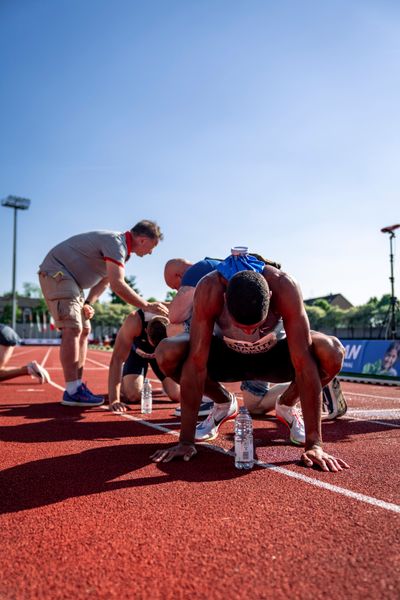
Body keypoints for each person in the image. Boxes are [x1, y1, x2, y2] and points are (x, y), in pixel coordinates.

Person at [152, 248, 350, 472]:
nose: (248, 334)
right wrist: (185, 442)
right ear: (225, 299)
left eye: (256, 326)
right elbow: (196, 364)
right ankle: (223, 402)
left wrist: (315, 445)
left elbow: (304, 364)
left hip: (274, 356)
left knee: (331, 351)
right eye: (240, 326)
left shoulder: (285, 286)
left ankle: (286, 405)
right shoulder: (209, 289)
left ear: (271, 298)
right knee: (167, 352)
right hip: (225, 358)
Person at [39, 220, 168, 408]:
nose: (150, 252)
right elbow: (117, 284)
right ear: (142, 240)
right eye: (152, 247)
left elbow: (105, 281)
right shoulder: (116, 244)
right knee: (73, 328)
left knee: (84, 329)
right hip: (58, 272)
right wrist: (147, 305)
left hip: (73, 282)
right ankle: (72, 390)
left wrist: (89, 302)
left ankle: (77, 387)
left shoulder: (122, 253)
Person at [108, 310, 179, 412]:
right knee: (133, 396)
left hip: (163, 353)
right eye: (153, 343)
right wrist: (114, 400)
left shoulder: (177, 315)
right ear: (145, 330)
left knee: (177, 395)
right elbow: (117, 359)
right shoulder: (134, 321)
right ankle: (125, 382)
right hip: (136, 352)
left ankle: (167, 384)